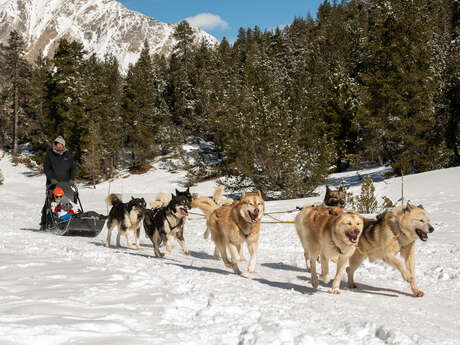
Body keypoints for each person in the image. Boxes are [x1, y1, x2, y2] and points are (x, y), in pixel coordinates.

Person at [40, 136, 77, 229]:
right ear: (55, 144)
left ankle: (69, 220)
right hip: (53, 183)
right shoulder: (49, 155)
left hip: (66, 183)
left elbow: (73, 167)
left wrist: (72, 179)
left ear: (63, 145)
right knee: (50, 203)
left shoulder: (68, 155)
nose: (59, 146)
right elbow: (47, 168)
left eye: (61, 144)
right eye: (58, 144)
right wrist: (51, 178)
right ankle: (45, 223)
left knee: (68, 201)